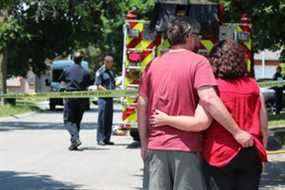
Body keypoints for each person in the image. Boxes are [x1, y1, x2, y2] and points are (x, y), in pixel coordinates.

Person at [138, 18, 253, 190]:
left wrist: (144, 142)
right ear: (189, 36)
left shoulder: (152, 65)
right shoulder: (199, 62)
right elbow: (208, 99)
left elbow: (142, 105)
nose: (198, 40)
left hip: (156, 147)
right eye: (197, 36)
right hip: (186, 148)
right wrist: (236, 132)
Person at [150, 40, 268, 190]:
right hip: (251, 152)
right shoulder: (254, 86)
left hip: (219, 154)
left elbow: (200, 122)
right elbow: (263, 125)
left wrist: (167, 119)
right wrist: (261, 153)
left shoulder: (212, 89)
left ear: (214, 61)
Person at [60, 52, 92, 151]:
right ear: (81, 60)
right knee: (77, 121)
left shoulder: (67, 70)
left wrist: (63, 90)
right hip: (82, 99)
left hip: (70, 98)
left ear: (73, 59)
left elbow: (62, 82)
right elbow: (88, 85)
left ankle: (75, 139)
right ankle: (74, 143)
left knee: (68, 121)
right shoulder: (86, 72)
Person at [95, 55, 116, 145]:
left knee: (109, 119)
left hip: (110, 98)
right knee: (102, 118)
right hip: (103, 99)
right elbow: (98, 85)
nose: (112, 64)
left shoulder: (111, 72)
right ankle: (100, 139)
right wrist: (108, 92)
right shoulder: (100, 72)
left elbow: (113, 84)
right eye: (111, 63)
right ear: (106, 62)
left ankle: (107, 138)